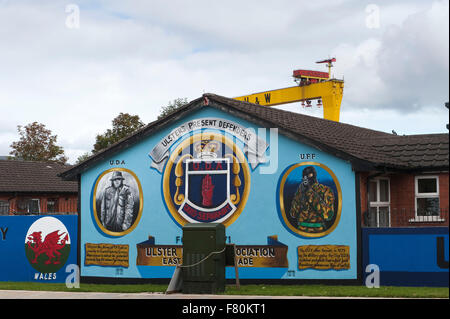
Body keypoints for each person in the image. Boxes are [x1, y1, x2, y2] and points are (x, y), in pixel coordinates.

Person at [289, 166, 335, 233]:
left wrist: (310, 192)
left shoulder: (325, 190)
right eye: (304, 177)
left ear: (314, 175)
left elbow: (328, 215)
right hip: (300, 230)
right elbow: (293, 214)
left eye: (308, 175)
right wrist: (300, 194)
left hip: (318, 230)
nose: (306, 178)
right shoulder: (301, 190)